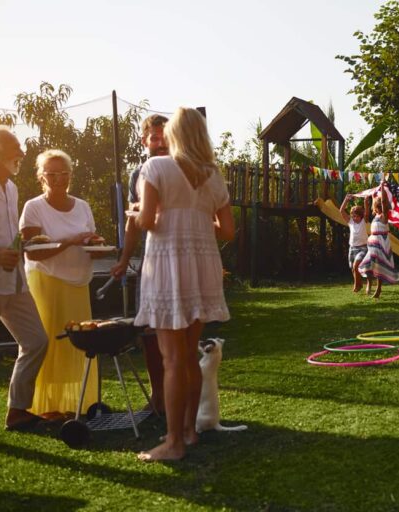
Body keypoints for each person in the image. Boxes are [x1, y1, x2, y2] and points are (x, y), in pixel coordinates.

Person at [135, 107, 234, 462]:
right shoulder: (214, 176)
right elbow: (229, 232)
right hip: (203, 264)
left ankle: (173, 442)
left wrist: (139, 215)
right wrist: (197, 219)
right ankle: (190, 432)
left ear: (174, 134)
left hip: (168, 265)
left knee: (172, 358)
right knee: (188, 355)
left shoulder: (155, 168)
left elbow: (147, 220)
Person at [20, 149, 103, 418]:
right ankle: (45, 406)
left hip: (78, 282)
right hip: (47, 281)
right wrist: (71, 241)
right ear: (41, 177)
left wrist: (95, 244)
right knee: (49, 343)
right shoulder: (34, 207)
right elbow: (32, 251)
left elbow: (87, 239)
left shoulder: (82, 206)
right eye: (52, 174)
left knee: (78, 344)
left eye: (63, 173)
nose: (58, 179)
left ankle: (76, 404)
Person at [0, 125, 48, 430]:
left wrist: (26, 243)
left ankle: (17, 411)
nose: (21, 153)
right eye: (15, 148)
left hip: (15, 281)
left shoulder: (11, 187)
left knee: (36, 340)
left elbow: (7, 232)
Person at [110, 114, 167, 414]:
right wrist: (123, 259)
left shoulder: (182, 168)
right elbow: (133, 224)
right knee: (149, 331)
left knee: (179, 331)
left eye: (165, 136)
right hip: (150, 260)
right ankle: (158, 397)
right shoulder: (137, 175)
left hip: (178, 258)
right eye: (155, 137)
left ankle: (181, 398)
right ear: (144, 141)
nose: (161, 143)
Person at [358, 180, 399, 299]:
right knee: (368, 264)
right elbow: (375, 203)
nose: (376, 208)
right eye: (376, 207)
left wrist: (382, 187)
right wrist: (372, 197)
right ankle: (369, 282)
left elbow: (383, 201)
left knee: (379, 266)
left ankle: (378, 289)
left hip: (381, 242)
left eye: (378, 207)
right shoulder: (376, 215)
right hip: (373, 243)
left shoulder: (384, 216)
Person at [339, 193, 370, 292]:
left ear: (361, 216)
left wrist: (365, 202)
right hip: (352, 248)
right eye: (353, 216)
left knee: (356, 266)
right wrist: (346, 199)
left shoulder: (363, 221)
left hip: (363, 248)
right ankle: (360, 284)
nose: (354, 218)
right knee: (353, 269)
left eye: (356, 216)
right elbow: (341, 211)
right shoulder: (350, 222)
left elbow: (367, 213)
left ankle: (356, 285)